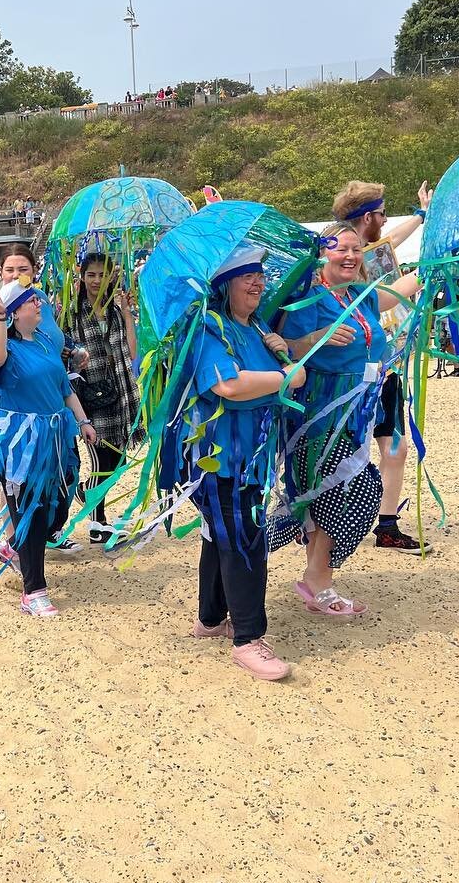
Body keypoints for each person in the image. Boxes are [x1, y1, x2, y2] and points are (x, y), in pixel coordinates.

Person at [276, 223, 422, 614]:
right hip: (320, 412)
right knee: (352, 491)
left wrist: (440, 257)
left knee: (333, 494)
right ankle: (305, 569)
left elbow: (400, 289)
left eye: (356, 249)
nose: (350, 256)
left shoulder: (361, 295)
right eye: (340, 249)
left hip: (359, 409)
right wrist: (313, 338)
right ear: (321, 254)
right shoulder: (304, 300)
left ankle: (316, 577)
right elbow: (278, 347)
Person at [181, 246, 305, 678]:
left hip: (251, 455)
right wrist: (285, 375)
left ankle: (211, 617)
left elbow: (296, 374)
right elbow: (228, 385)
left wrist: (284, 354)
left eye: (259, 275)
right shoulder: (208, 331)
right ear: (224, 284)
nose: (257, 282)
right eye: (246, 275)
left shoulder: (257, 328)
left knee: (223, 533)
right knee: (244, 537)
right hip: (220, 456)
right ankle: (249, 638)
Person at [0, 279, 98, 616]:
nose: (39, 304)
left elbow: (64, 389)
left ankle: (12, 547)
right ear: (14, 313)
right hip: (19, 444)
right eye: (30, 301)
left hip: (55, 438)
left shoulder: (44, 343)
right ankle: (33, 591)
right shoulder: (5, 348)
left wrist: (83, 422)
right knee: (32, 511)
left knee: (58, 506)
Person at [331, 179, 434, 553]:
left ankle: (387, 524)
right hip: (354, 372)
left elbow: (390, 240)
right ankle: (321, 522)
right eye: (382, 212)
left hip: (383, 364)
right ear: (367, 216)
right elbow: (380, 300)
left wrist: (422, 217)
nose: (386, 218)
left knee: (395, 447)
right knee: (345, 449)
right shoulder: (343, 257)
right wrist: (431, 270)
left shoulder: (365, 249)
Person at [63, 251, 140, 544]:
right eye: (91, 274)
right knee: (101, 461)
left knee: (117, 461)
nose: (96, 280)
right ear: (81, 276)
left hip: (120, 395)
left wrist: (127, 314)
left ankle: (85, 493)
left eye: (102, 274)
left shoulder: (114, 311)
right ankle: (98, 524)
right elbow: (63, 353)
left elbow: (131, 352)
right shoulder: (71, 312)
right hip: (90, 398)